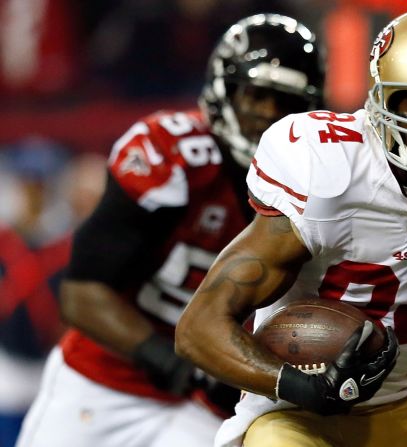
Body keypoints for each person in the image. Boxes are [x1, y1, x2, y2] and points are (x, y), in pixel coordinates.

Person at [175, 6, 407, 447]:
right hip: (294, 412)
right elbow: (198, 328)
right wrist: (299, 385)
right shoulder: (327, 167)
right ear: (381, 99)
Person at [16, 14, 325, 447]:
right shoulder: (173, 156)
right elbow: (82, 293)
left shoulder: (321, 186)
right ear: (224, 90)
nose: (269, 115)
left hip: (214, 406)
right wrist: (173, 361)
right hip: (107, 380)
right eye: (257, 95)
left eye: (285, 101)